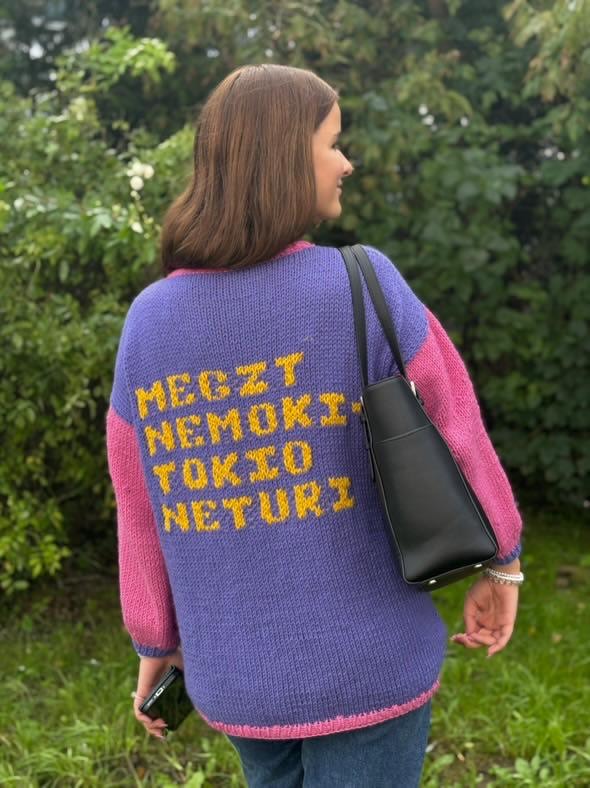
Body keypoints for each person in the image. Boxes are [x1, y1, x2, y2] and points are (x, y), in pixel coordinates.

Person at [106, 64, 523, 788]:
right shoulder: (362, 282)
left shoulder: (149, 323)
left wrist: (156, 638)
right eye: (333, 142)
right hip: (370, 666)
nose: (346, 162)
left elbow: (140, 501)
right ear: (283, 157)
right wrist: (501, 558)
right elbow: (457, 426)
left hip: (234, 675)